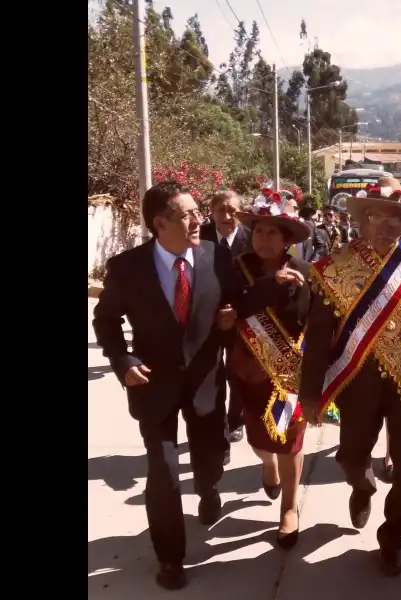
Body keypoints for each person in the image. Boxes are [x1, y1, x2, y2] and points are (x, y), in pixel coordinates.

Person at [92, 182, 278, 590]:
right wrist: (122, 360)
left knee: (209, 459)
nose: (199, 220)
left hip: (206, 382)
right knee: (164, 473)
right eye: (188, 214)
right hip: (153, 385)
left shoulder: (216, 257)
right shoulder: (127, 268)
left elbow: (236, 302)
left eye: (198, 211)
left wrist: (264, 291)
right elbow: (104, 320)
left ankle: (210, 488)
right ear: (160, 223)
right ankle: (171, 558)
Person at [296, 177, 401, 576]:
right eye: (378, 219)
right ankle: (361, 485)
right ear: (363, 220)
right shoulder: (334, 268)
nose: (386, 227)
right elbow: (318, 336)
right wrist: (310, 392)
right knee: (351, 455)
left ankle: (393, 541)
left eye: (395, 220)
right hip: (355, 384)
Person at [224, 189, 314, 550]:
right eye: (259, 231)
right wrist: (267, 287)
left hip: (290, 376)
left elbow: (312, 321)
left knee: (290, 442)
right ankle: (267, 466)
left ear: (288, 239)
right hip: (248, 371)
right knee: (259, 440)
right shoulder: (236, 268)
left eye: (273, 233)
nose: (263, 239)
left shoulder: (306, 273)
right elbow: (233, 306)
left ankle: (289, 508)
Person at [200, 190, 252, 446]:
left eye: (232, 210)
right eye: (221, 209)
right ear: (211, 212)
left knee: (237, 373)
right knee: (211, 375)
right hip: (206, 320)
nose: (227, 215)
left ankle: (236, 421)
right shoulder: (197, 237)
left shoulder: (253, 240)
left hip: (240, 319)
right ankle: (216, 427)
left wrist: (237, 311)